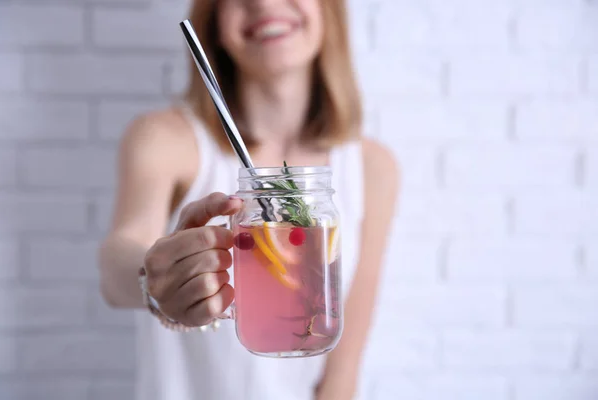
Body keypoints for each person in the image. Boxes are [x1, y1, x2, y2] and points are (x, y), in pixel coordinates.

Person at [98, 0, 400, 399]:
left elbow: (342, 374)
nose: (264, 3)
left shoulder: (371, 167)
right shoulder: (165, 139)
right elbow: (115, 264)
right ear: (215, 22)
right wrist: (152, 278)